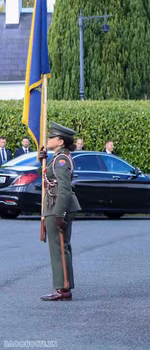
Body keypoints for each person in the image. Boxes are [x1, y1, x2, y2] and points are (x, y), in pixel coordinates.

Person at [38, 122, 81, 301]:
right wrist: (40, 160)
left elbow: (64, 188)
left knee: (59, 248)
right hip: (55, 205)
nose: (48, 139)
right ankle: (63, 286)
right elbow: (50, 177)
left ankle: (63, 290)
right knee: (60, 248)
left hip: (58, 206)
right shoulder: (57, 158)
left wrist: (59, 213)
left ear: (61, 142)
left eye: (51, 137)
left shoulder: (61, 160)